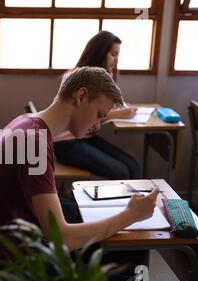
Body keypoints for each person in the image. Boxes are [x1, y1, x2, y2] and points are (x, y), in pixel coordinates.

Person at [0, 67, 162, 281]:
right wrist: (129, 215)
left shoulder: (27, 123)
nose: (98, 125)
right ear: (82, 96)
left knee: (131, 251)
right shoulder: (34, 142)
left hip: (22, 254)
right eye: (99, 114)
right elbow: (63, 238)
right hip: (24, 275)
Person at [53, 31, 140, 180]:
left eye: (118, 55)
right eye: (113, 54)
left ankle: (134, 202)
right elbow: (81, 114)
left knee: (133, 166)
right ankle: (124, 203)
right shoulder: (75, 77)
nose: (116, 60)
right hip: (66, 142)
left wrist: (120, 108)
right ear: (100, 53)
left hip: (87, 138)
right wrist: (119, 113)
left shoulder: (103, 78)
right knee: (121, 172)